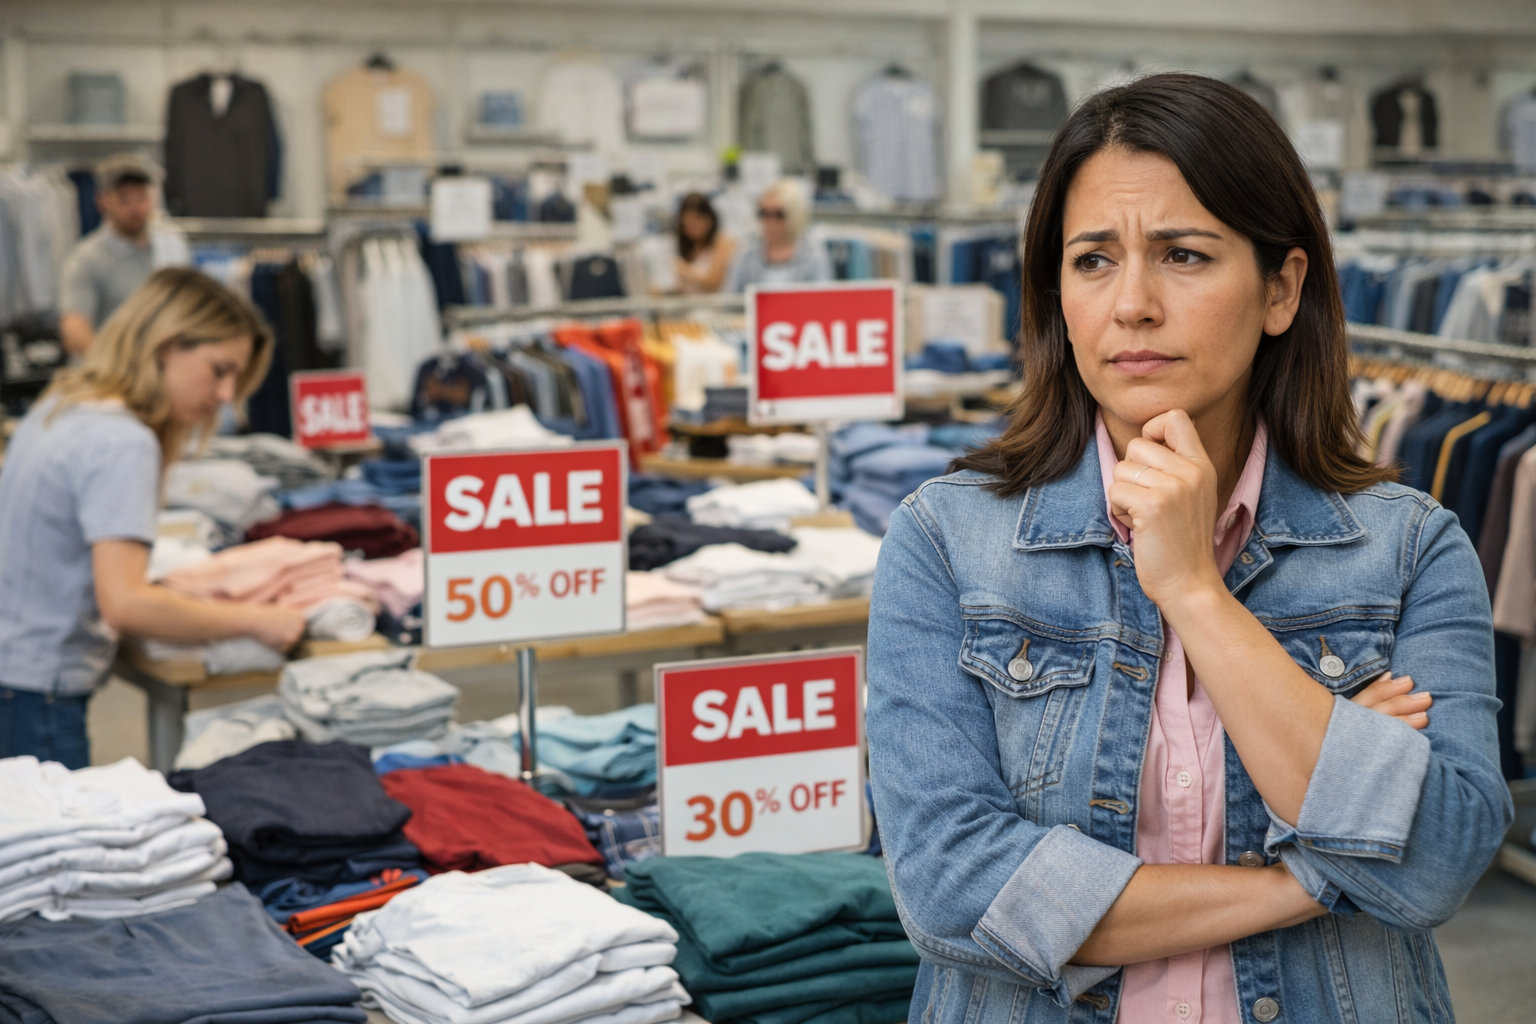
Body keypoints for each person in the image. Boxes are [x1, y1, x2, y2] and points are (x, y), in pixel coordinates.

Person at [867, 73, 1510, 1024]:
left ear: (1282, 288)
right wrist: (1309, 875)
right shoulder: (947, 541)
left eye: (1183, 255)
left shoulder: (1408, 548)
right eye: (1092, 260)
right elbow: (955, 889)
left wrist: (1197, 593)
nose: (1132, 303)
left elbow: (1439, 864)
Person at [0, 268, 306, 768]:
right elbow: (125, 603)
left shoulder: (65, 402)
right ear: (168, 347)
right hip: (39, 694)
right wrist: (258, 619)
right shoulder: (123, 441)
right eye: (219, 370)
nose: (227, 394)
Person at [58, 154, 158, 359]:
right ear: (102, 201)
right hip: (107, 379)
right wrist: (110, 370)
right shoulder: (86, 259)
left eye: (141, 196)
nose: (135, 207)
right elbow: (74, 327)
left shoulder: (169, 247)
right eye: (124, 199)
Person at [724, 179, 831, 292]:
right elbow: (730, 299)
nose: (770, 221)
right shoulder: (746, 255)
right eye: (764, 213)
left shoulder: (813, 255)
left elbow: (823, 300)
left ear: (794, 215)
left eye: (779, 214)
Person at [671, 192, 736, 294]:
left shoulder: (723, 243)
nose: (692, 227)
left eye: (696, 220)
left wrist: (685, 270)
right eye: (687, 223)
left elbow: (714, 281)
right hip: (688, 307)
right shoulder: (687, 248)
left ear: (709, 219)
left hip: (716, 307)